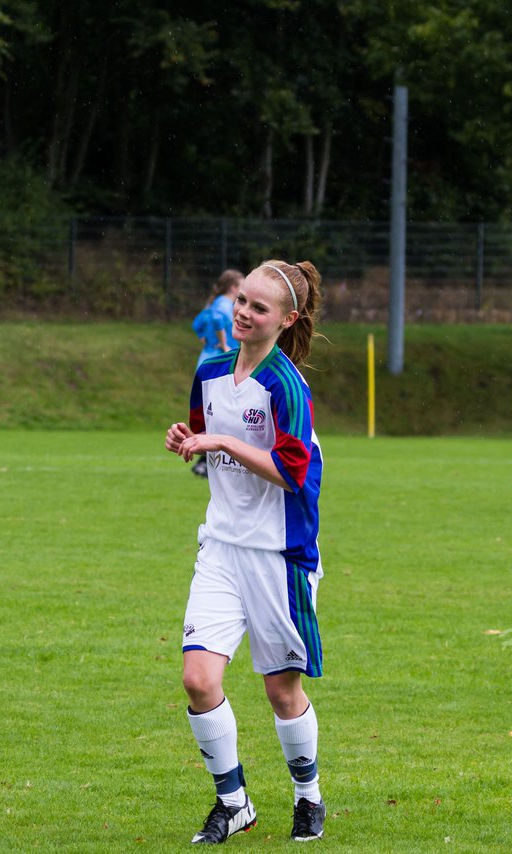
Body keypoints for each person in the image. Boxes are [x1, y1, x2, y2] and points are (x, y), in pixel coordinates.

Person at [164, 260, 327, 844]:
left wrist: (223, 440)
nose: (243, 313)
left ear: (285, 320)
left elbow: (291, 470)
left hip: (278, 557)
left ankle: (308, 797)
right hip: (221, 549)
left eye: (258, 307)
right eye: (241, 301)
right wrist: (187, 440)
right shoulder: (209, 370)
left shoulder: (286, 386)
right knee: (198, 678)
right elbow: (201, 435)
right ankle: (233, 802)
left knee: (281, 690)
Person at [189, 270, 243, 478]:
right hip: (218, 364)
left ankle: (209, 460)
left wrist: (205, 339)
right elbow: (219, 320)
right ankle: (206, 461)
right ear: (233, 288)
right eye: (242, 285)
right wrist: (224, 345)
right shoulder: (223, 304)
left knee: (216, 413)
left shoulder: (215, 303)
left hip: (209, 358)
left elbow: (197, 324)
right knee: (220, 414)